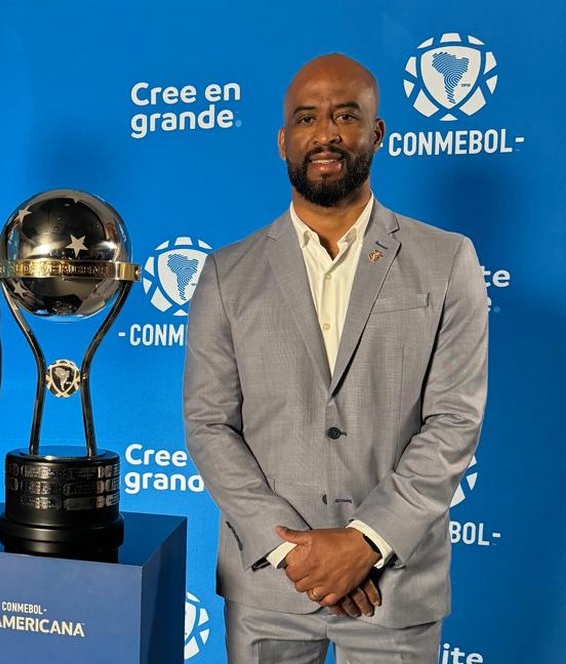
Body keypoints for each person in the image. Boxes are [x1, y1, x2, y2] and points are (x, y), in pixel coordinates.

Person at [184, 53, 487, 663]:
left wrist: (365, 542)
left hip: (394, 588)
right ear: (282, 140)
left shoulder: (447, 260)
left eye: (345, 116)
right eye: (306, 119)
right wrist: (296, 551)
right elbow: (209, 424)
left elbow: (455, 420)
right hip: (271, 583)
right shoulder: (225, 273)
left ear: (377, 132)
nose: (325, 134)